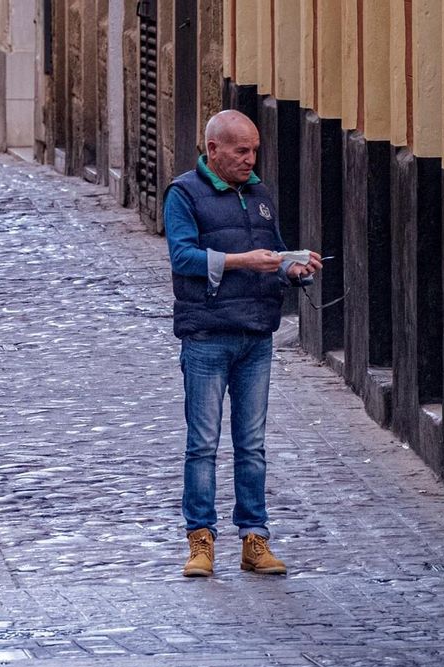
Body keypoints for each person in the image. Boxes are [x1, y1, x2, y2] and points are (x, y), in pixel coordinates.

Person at [163, 110, 321, 577]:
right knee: (203, 444)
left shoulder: (259, 194)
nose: (250, 159)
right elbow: (182, 257)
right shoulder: (183, 194)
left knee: (252, 445)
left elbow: (273, 252)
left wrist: (293, 267)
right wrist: (242, 261)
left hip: (256, 335)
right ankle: (201, 542)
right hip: (207, 336)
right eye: (241, 151)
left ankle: (255, 539)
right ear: (213, 150)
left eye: (254, 151)